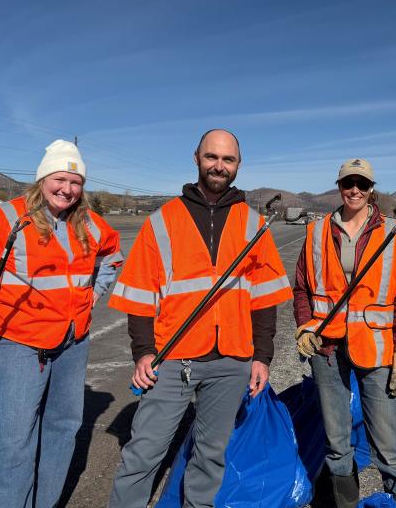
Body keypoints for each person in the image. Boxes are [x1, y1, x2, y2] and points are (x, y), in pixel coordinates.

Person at [108, 129, 292, 508]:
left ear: (238, 165)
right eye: (212, 157)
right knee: (142, 454)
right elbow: (140, 294)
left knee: (210, 458)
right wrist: (143, 352)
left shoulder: (254, 225)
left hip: (232, 360)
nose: (219, 166)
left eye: (228, 159)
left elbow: (264, 300)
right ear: (196, 158)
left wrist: (262, 356)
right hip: (172, 357)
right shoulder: (163, 221)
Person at [0, 139, 123, 508]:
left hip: (73, 342)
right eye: (60, 179)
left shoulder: (90, 224)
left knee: (62, 430)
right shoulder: (6, 218)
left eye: (76, 183)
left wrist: (96, 291)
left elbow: (112, 256)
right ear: (42, 179)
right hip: (18, 341)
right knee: (10, 441)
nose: (68, 189)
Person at [293, 158, 396, 508]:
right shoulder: (317, 231)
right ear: (339, 186)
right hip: (326, 349)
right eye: (349, 183)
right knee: (336, 441)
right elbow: (301, 287)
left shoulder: (392, 232)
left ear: (372, 189)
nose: (355, 190)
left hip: (376, 348)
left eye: (362, 184)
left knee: (388, 444)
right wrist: (304, 325)